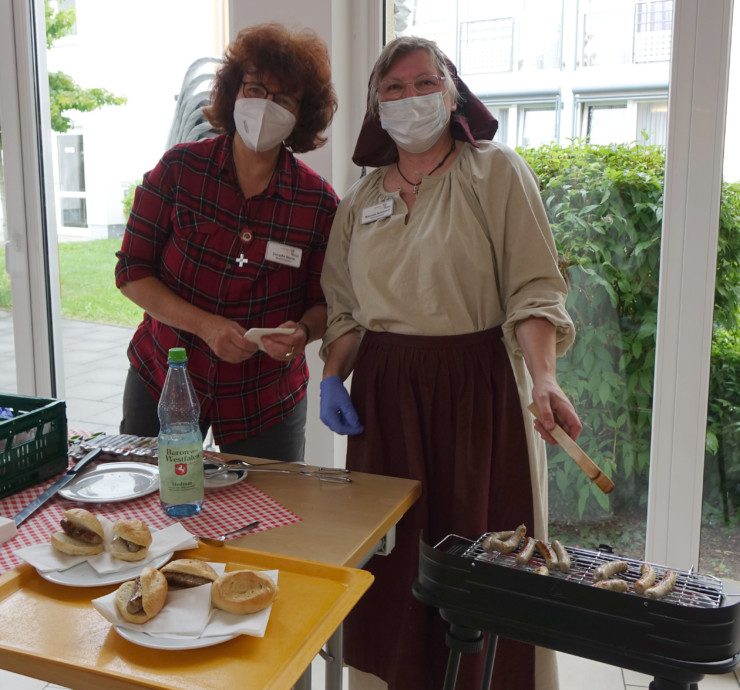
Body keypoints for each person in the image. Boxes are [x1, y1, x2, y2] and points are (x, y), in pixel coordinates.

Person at [319, 36, 582, 690]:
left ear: (453, 91)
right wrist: (331, 376)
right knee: (395, 559)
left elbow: (534, 290)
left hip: (478, 393)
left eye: (425, 82)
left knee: (488, 554)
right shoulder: (359, 203)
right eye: (394, 89)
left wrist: (544, 376)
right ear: (376, 109)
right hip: (386, 402)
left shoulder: (494, 173)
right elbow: (345, 312)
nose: (411, 98)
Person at [115, 23, 338, 461]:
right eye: (254, 89)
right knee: (147, 509)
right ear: (233, 92)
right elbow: (131, 272)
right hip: (165, 377)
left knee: (268, 521)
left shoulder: (318, 203)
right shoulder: (180, 170)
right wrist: (206, 326)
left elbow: (327, 302)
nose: (264, 106)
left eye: (283, 99)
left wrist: (303, 332)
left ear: (302, 114)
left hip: (264, 399)